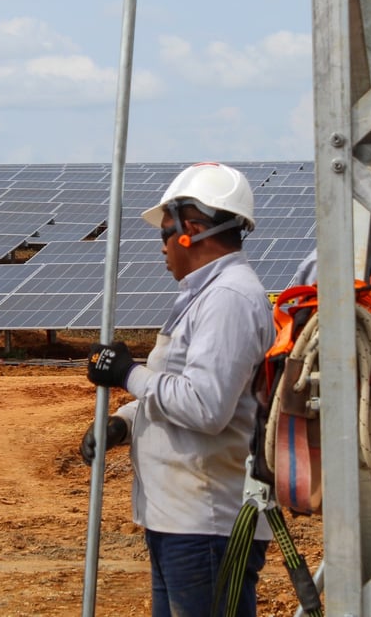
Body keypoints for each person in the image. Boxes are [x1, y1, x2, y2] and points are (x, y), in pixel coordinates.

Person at [81, 162, 275, 617]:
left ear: (193, 230)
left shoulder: (229, 299)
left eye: (165, 233)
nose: (162, 246)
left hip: (207, 523)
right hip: (180, 518)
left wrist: (127, 373)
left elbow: (206, 406)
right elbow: (183, 386)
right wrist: (124, 423)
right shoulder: (205, 295)